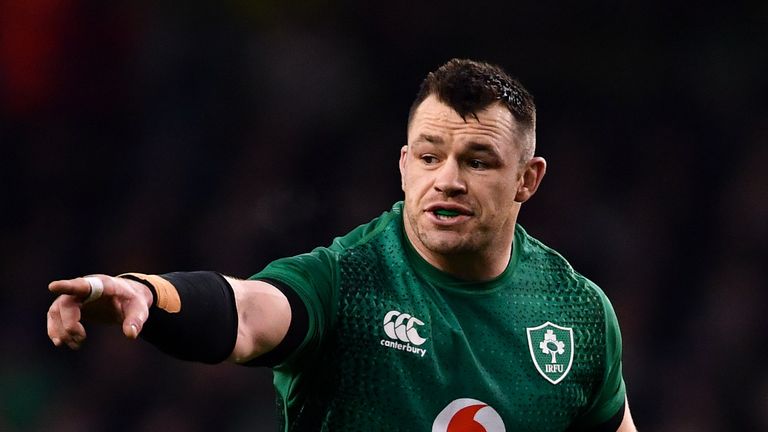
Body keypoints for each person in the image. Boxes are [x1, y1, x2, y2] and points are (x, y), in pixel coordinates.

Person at [47, 58, 637, 431]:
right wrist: (147, 293)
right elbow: (250, 312)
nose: (448, 179)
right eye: (430, 157)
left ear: (527, 180)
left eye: (478, 161)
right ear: (405, 166)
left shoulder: (577, 313)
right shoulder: (348, 281)